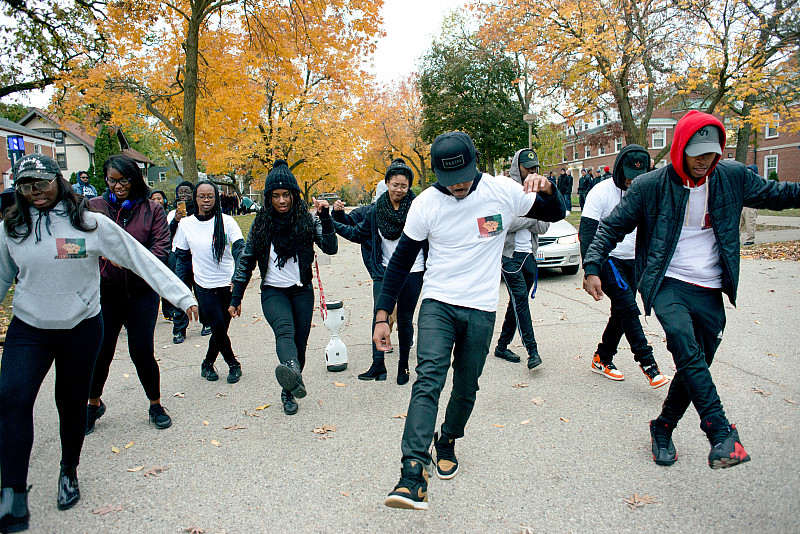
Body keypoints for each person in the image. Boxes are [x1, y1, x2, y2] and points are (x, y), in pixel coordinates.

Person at [583, 110, 800, 469]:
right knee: (684, 343)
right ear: (681, 148)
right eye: (697, 153)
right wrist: (592, 267)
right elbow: (610, 228)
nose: (704, 161)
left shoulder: (731, 176)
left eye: (711, 153)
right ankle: (720, 432)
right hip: (667, 282)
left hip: (711, 287)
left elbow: (780, 194)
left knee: (694, 364)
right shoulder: (650, 185)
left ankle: (663, 426)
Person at [0, 155, 197, 532]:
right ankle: (11, 492)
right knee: (11, 400)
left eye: (41, 183)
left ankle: (68, 470)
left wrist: (181, 295)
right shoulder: (13, 228)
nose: (34, 192)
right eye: (25, 186)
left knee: (70, 404)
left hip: (80, 327)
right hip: (30, 329)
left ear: (58, 181)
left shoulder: (89, 223)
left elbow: (140, 258)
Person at [374, 131, 566, 510]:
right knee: (429, 377)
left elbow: (556, 212)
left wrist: (547, 188)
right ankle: (412, 472)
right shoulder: (426, 204)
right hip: (438, 302)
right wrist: (383, 314)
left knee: (466, 387)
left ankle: (447, 439)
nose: (458, 186)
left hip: (480, 307)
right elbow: (399, 264)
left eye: (463, 176)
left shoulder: (501, 191)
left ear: (475, 163)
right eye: (449, 180)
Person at [229, 160, 337, 415]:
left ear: (293, 194)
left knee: (300, 344)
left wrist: (326, 218)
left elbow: (330, 248)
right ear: (269, 198)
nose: (281, 201)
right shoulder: (261, 222)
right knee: (284, 332)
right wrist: (236, 296)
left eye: (285, 195)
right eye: (275, 196)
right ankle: (289, 383)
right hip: (273, 291)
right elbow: (247, 259)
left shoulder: (307, 220)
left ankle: (291, 381)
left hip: (301, 290)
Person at [86, 155, 178, 434]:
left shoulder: (152, 210)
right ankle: (93, 404)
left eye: (123, 180)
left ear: (134, 179)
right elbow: (74, 246)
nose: (117, 186)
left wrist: (127, 260)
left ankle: (155, 404)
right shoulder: (93, 208)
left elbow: (161, 250)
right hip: (106, 293)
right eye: (111, 181)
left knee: (141, 351)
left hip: (141, 293)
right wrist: (103, 255)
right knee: (101, 352)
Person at [579, 144, 668, 389]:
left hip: (635, 261)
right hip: (607, 258)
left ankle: (602, 358)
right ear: (618, 169)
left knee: (620, 311)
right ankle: (648, 364)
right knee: (629, 308)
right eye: (628, 175)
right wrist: (590, 270)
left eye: (638, 177)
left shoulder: (649, 192)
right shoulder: (600, 192)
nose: (632, 182)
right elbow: (587, 234)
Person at [332, 158, 425, 385]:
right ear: (387, 183)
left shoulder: (418, 209)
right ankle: (378, 365)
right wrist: (329, 220)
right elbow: (356, 233)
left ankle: (403, 367)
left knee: (404, 319)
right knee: (379, 317)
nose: (399, 190)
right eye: (395, 185)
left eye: (403, 186)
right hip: (385, 272)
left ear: (409, 187)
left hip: (414, 270)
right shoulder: (375, 212)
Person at [175, 181, 245, 383]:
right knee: (217, 327)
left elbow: (240, 248)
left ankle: (207, 363)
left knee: (222, 328)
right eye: (201, 196)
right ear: (195, 198)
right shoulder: (186, 225)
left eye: (210, 196)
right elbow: (182, 258)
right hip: (204, 286)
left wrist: (238, 280)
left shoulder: (227, 221)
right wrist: (183, 290)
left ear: (216, 198)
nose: (206, 200)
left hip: (228, 284)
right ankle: (233, 364)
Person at [493, 148, 550, 370]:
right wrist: (532, 215)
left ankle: (501, 346)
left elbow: (544, 226)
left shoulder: (538, 192)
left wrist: (522, 216)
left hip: (529, 257)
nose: (532, 172)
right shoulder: (505, 191)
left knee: (515, 304)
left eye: (535, 167)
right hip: (509, 257)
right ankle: (532, 351)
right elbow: (495, 225)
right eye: (528, 168)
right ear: (518, 167)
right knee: (521, 302)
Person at [167, 182, 211, 340]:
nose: (183, 194)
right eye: (180, 192)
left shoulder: (201, 212)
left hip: (199, 256)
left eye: (187, 191)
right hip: (181, 256)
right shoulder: (173, 214)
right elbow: (167, 236)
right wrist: (176, 220)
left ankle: (207, 323)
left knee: (202, 291)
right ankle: (179, 329)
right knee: (181, 291)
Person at [740, 164, 759, 245]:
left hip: (751, 206)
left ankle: (750, 240)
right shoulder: (743, 182)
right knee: (737, 224)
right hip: (741, 206)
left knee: (750, 224)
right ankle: (735, 240)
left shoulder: (757, 182)